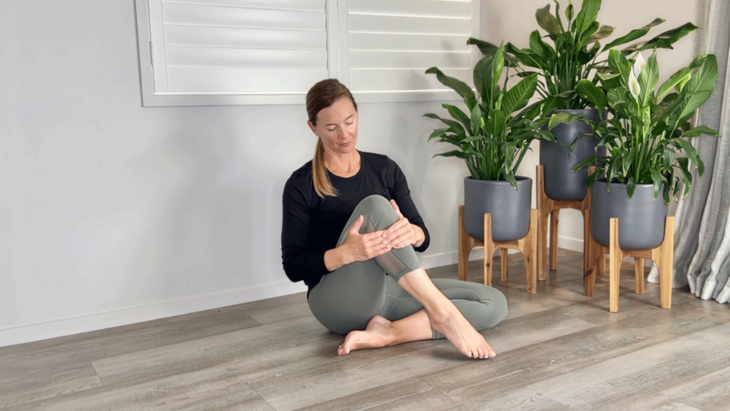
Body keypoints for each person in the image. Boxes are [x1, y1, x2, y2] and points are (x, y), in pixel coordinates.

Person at [281, 79, 508, 359]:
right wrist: (347, 254)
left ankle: (389, 333)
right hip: (337, 301)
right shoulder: (301, 184)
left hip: (390, 289)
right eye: (331, 127)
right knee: (375, 206)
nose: (344, 134)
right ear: (313, 128)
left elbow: (423, 238)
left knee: (493, 302)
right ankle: (444, 314)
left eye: (349, 121)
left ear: (357, 114)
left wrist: (412, 234)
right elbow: (293, 266)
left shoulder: (385, 169)